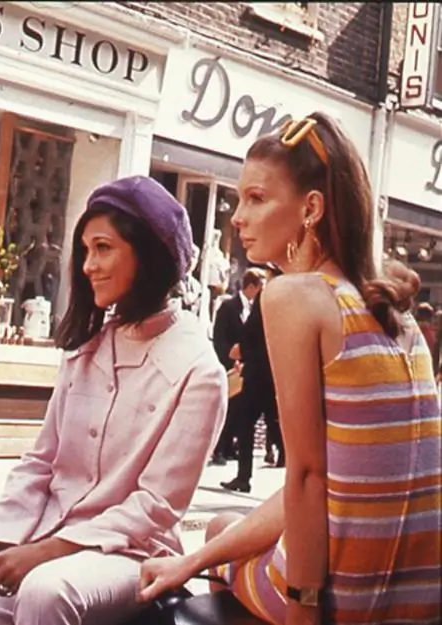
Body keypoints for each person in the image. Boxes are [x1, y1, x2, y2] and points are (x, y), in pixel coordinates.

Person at [138, 112, 442, 625]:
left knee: (217, 533)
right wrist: (191, 563)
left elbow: (305, 476)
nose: (237, 216)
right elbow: (333, 480)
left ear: (311, 209)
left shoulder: (294, 296)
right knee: (217, 534)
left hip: (348, 600)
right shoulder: (395, 312)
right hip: (420, 592)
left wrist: (303, 607)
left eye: (256, 198)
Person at [0, 176, 228, 625]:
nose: (89, 264)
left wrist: (39, 555)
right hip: (44, 535)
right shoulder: (85, 347)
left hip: (131, 554)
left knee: (46, 591)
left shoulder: (198, 369)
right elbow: (41, 462)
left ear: (148, 254)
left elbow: (155, 508)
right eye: (86, 250)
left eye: (104, 248)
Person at [221, 268, 283, 495]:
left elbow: (252, 332)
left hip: (258, 372)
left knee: (245, 423)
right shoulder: (293, 298)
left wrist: (241, 352)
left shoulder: (267, 298)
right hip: (278, 373)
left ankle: (243, 476)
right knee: (276, 422)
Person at [209, 271, 263, 465]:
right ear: (251, 287)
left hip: (244, 366)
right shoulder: (228, 307)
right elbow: (220, 338)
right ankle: (219, 449)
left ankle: (230, 446)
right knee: (226, 408)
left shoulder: (254, 308)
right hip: (229, 365)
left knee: (239, 410)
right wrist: (230, 361)